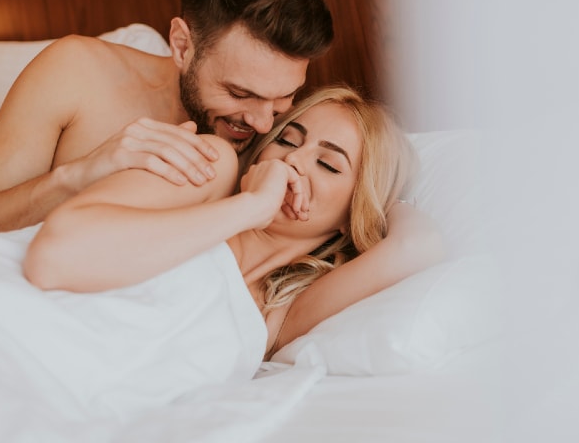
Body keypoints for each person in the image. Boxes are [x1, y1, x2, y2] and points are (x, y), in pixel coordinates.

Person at [22, 86, 444, 360]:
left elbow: (418, 247)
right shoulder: (212, 171)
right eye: (287, 140)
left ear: (353, 216)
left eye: (328, 165)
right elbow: (55, 256)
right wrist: (250, 207)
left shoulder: (282, 315)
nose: (293, 161)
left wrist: (389, 198)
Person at [0, 0, 333, 233]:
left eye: (285, 96)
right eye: (240, 93)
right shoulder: (78, 72)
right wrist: (74, 178)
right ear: (181, 45)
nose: (263, 123)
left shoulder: (289, 142)